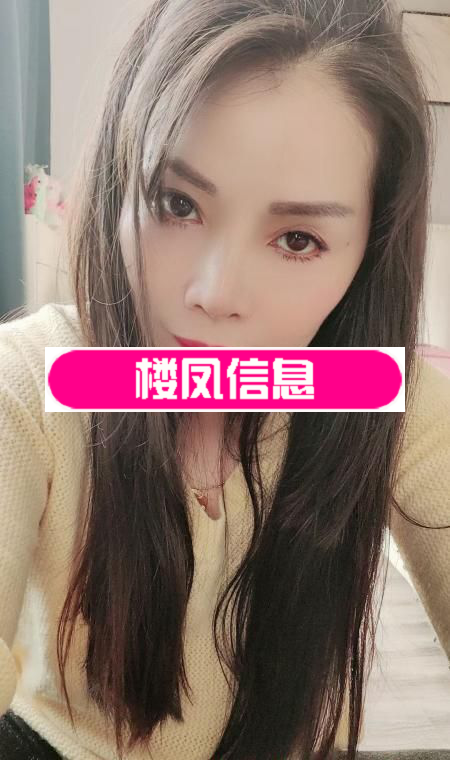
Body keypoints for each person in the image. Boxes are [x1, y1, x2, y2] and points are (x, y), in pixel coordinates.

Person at [1, 1, 449, 758]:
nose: (214, 293)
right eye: (176, 204)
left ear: (366, 257)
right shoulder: (28, 384)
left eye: (298, 239)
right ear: (120, 185)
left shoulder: (386, 400)